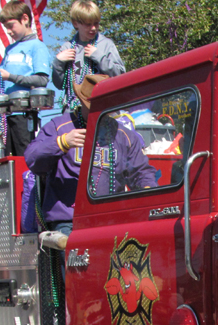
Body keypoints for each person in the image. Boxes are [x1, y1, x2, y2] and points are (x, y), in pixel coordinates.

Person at [24, 73, 156, 250]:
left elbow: (141, 172)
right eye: (93, 106)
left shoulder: (124, 135)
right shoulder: (59, 126)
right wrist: (61, 143)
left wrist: (148, 190)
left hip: (111, 219)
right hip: (69, 221)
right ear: (82, 102)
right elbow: (32, 159)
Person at [0, 0, 52, 156]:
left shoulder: (37, 46)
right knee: (7, 159)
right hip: (5, 116)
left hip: (24, 114)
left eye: (11, 26)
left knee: (25, 158)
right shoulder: (9, 49)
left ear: (25, 19)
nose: (8, 31)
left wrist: (11, 77)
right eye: (5, 27)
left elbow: (41, 80)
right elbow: (3, 76)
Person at [52, 0, 125, 112]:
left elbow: (120, 76)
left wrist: (100, 58)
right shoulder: (68, 48)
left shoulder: (105, 44)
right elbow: (60, 85)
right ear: (76, 23)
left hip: (101, 109)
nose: (93, 28)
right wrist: (58, 63)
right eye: (88, 24)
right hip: (74, 109)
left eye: (96, 23)